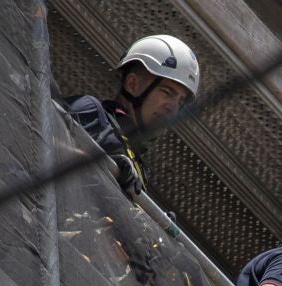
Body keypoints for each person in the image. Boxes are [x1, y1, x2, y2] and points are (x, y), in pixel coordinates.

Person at [59, 35, 200, 198]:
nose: (173, 108)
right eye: (167, 92)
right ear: (132, 84)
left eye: (180, 102)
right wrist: (105, 164)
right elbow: (40, 137)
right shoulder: (89, 112)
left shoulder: (138, 167)